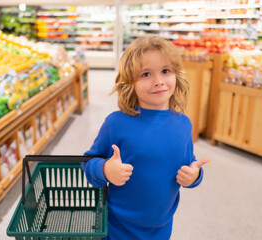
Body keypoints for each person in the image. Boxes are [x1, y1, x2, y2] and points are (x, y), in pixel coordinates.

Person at [82, 36, 209, 240]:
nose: (158, 81)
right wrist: (105, 170)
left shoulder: (184, 125)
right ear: (130, 83)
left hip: (162, 228)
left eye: (165, 71)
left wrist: (194, 176)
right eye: (146, 74)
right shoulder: (116, 124)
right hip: (117, 228)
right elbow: (88, 163)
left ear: (176, 74)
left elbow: (188, 164)